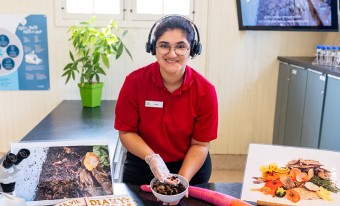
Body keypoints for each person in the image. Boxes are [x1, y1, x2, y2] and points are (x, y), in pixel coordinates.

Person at [114, 15, 218, 186]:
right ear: (153, 48)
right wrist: (152, 158)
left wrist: (181, 182)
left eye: (180, 46)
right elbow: (126, 132)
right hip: (144, 163)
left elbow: (200, 144)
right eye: (164, 46)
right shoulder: (134, 82)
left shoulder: (205, 91)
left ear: (192, 49)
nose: (172, 53)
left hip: (190, 167)